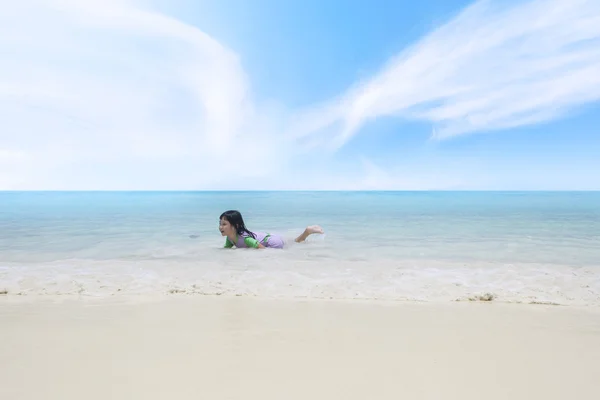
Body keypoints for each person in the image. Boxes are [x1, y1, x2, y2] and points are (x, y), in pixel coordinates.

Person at [219, 210, 324, 249]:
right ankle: (307, 232)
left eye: (224, 224)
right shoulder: (230, 238)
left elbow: (262, 250)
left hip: (271, 242)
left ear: (236, 226)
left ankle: (307, 231)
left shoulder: (245, 239)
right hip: (267, 238)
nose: (220, 227)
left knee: (296, 243)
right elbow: (226, 250)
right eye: (220, 224)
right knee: (294, 242)